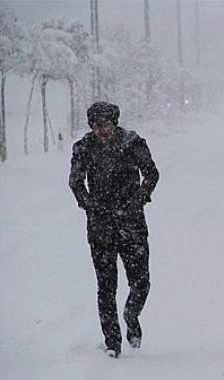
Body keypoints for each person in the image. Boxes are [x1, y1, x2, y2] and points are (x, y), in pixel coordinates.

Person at [69, 102, 159, 358]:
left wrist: (140, 198)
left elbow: (151, 173)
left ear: (115, 123)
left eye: (107, 125)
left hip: (132, 224)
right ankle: (112, 343)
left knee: (141, 282)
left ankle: (131, 315)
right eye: (98, 126)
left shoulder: (132, 143)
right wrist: (90, 206)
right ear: (91, 126)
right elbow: (75, 182)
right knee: (106, 286)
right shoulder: (84, 148)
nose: (103, 131)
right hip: (100, 228)